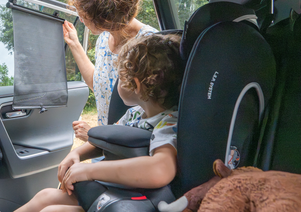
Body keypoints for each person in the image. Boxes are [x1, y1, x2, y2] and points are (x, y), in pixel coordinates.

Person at [14, 33, 184, 212]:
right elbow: (111, 141)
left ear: (135, 84)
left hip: (135, 200)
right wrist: (79, 154)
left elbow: (160, 170)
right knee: (45, 197)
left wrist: (90, 171)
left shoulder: (168, 123)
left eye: (120, 77)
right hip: (114, 190)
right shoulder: (134, 114)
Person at [63, 0, 157, 142]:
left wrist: (96, 134)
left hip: (129, 148)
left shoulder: (150, 44)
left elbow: (152, 112)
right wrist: (74, 44)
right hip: (106, 144)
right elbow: (100, 86)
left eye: (84, 16)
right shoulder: (104, 40)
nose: (82, 20)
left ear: (104, 19)